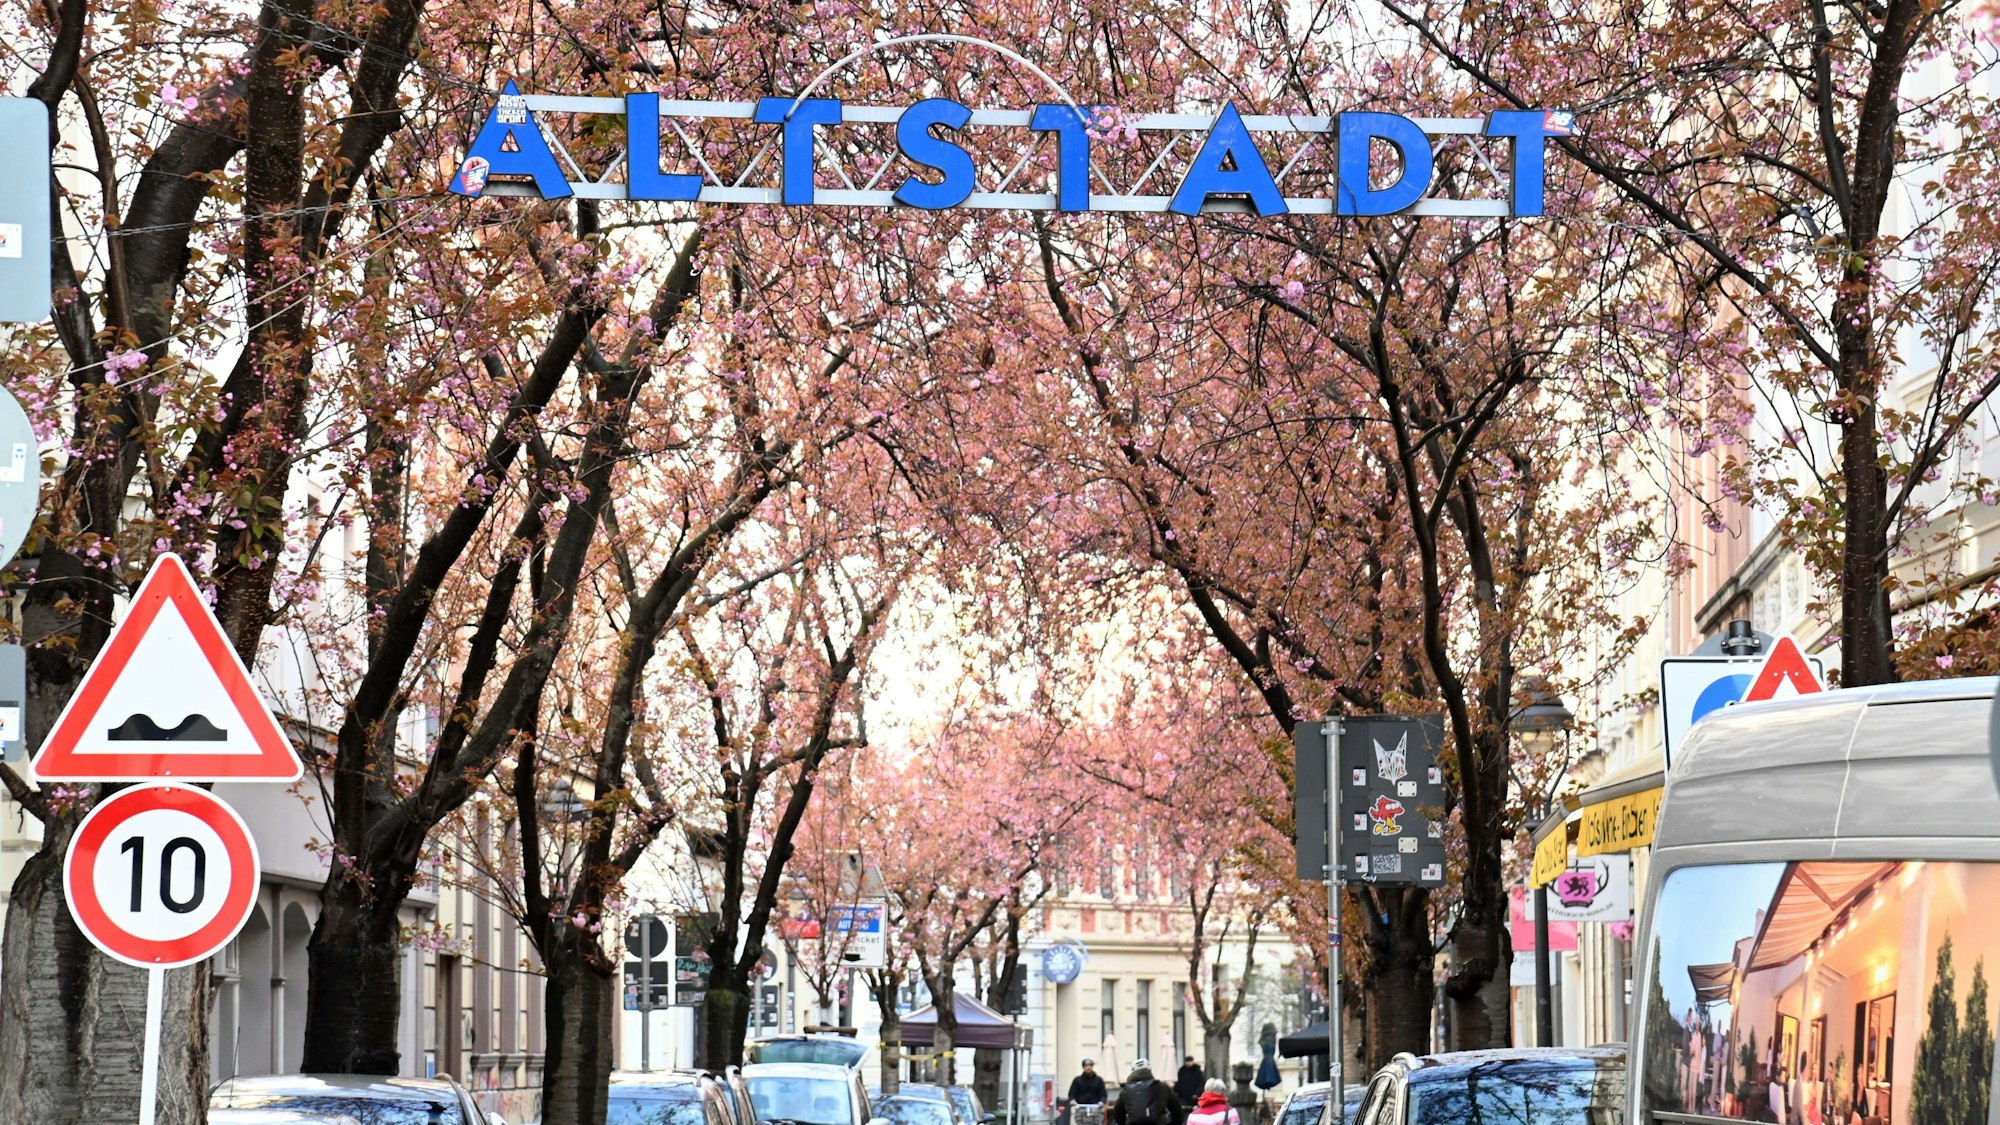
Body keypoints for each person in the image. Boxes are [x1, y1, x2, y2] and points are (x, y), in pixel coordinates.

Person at [1110, 1059, 1183, 1125]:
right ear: (1149, 1070)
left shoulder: (1126, 1089)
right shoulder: (1161, 1086)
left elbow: (1118, 1111)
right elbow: (1176, 1108)